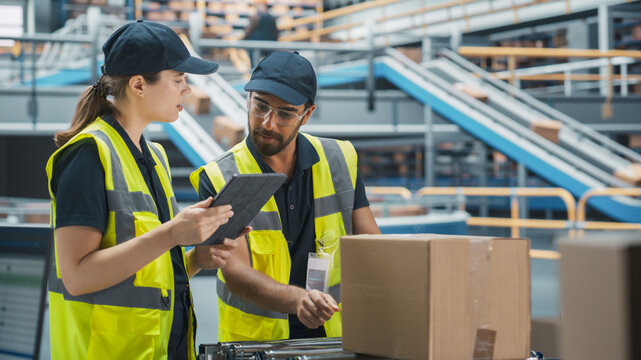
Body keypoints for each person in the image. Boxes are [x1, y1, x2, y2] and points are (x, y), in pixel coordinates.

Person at [46, 20, 244, 360]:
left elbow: (142, 270)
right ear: (139, 85)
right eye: (178, 79)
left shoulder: (155, 156)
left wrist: (194, 258)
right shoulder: (88, 154)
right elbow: (76, 276)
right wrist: (172, 234)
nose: (187, 89)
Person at [190, 51, 381, 342]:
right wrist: (299, 301)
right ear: (247, 100)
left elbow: (372, 247)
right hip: (256, 345)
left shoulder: (340, 159)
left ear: (307, 114)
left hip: (333, 340)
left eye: (285, 113)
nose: (268, 123)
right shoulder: (220, 176)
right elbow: (236, 272)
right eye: (260, 106)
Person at [243, 0, 279, 66]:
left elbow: (248, 31)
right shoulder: (272, 18)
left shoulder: (255, 17)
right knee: (269, 63)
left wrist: (243, 39)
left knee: (254, 65)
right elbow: (276, 33)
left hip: (255, 44)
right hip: (269, 44)